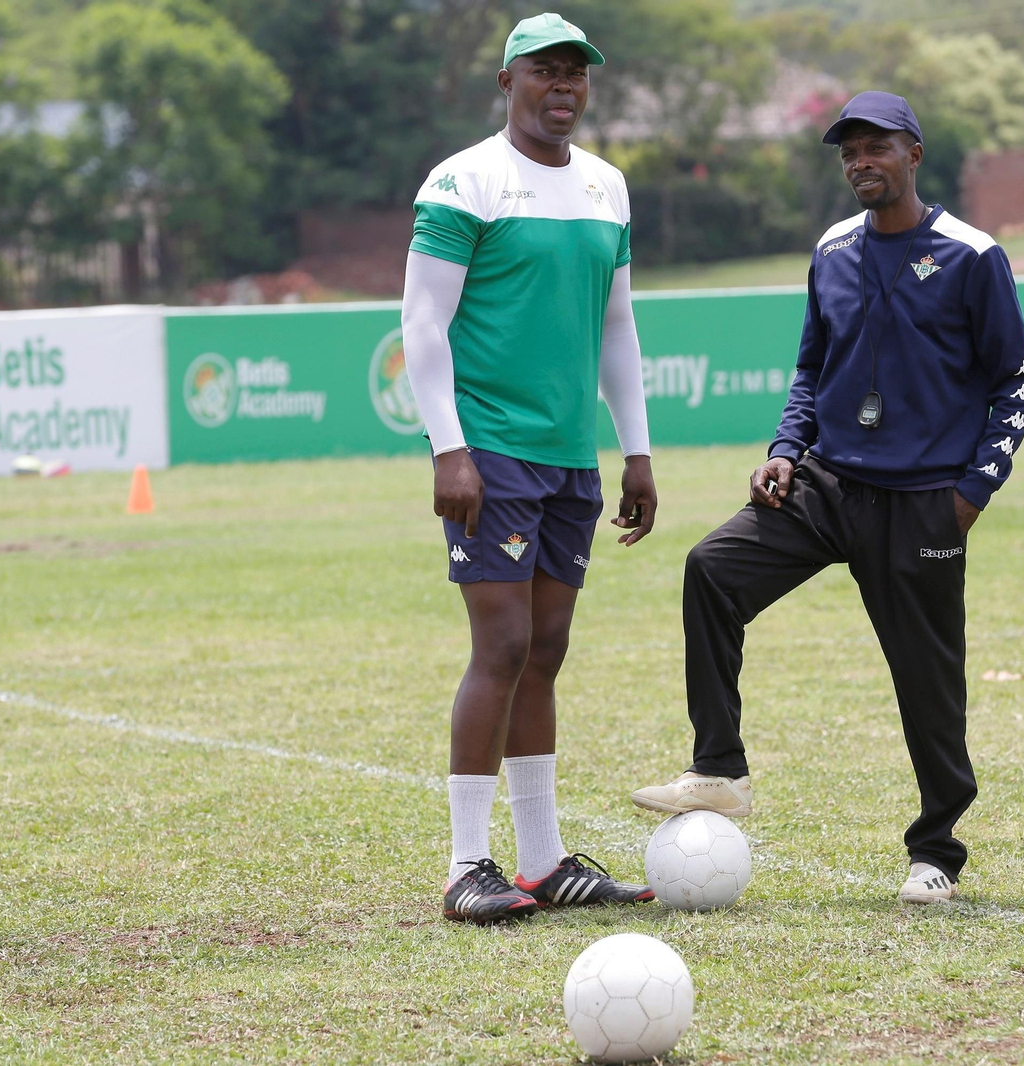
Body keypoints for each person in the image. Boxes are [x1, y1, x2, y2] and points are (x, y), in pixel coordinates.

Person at [630, 92, 1024, 906]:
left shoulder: (971, 255)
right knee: (712, 568)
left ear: (913, 153)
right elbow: (812, 368)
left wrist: (970, 494)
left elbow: (1016, 381)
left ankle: (936, 852)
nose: (860, 162)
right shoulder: (833, 250)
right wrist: (785, 451)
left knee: (927, 682)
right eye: (848, 151)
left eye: (875, 146)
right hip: (827, 483)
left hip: (924, 500)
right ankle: (719, 769)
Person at [400, 12, 658, 925]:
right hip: (491, 450)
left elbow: (617, 327)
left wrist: (636, 450)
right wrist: (449, 446)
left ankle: (543, 863)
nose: (563, 87)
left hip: (568, 457)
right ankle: (467, 865)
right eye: (544, 71)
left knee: (546, 649)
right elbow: (422, 323)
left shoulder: (606, 187)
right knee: (503, 647)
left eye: (575, 74)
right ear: (507, 83)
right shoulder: (464, 180)